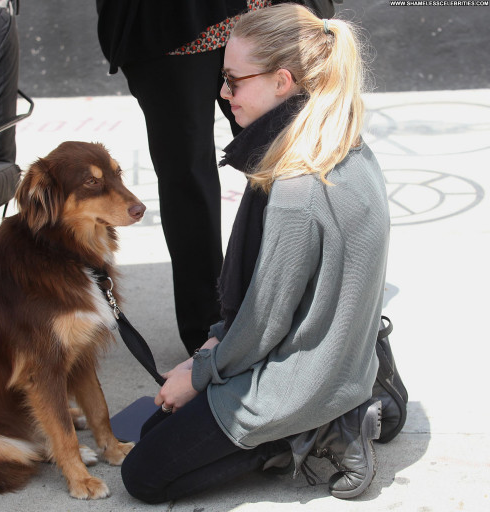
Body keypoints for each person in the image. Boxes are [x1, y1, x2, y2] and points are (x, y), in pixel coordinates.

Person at [120, 3, 390, 503]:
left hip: (305, 378)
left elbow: (264, 323)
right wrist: (212, 347)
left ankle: (316, 431)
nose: (222, 93)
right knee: (156, 427)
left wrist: (200, 373)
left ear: (282, 81)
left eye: (233, 81)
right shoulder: (333, 139)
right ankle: (348, 400)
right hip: (335, 352)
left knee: (143, 474)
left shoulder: (294, 187)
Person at [96, 1, 338, 354]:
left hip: (257, 13)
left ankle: (305, 305)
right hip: (169, 24)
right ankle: (208, 336)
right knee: (188, 180)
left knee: (292, 156)